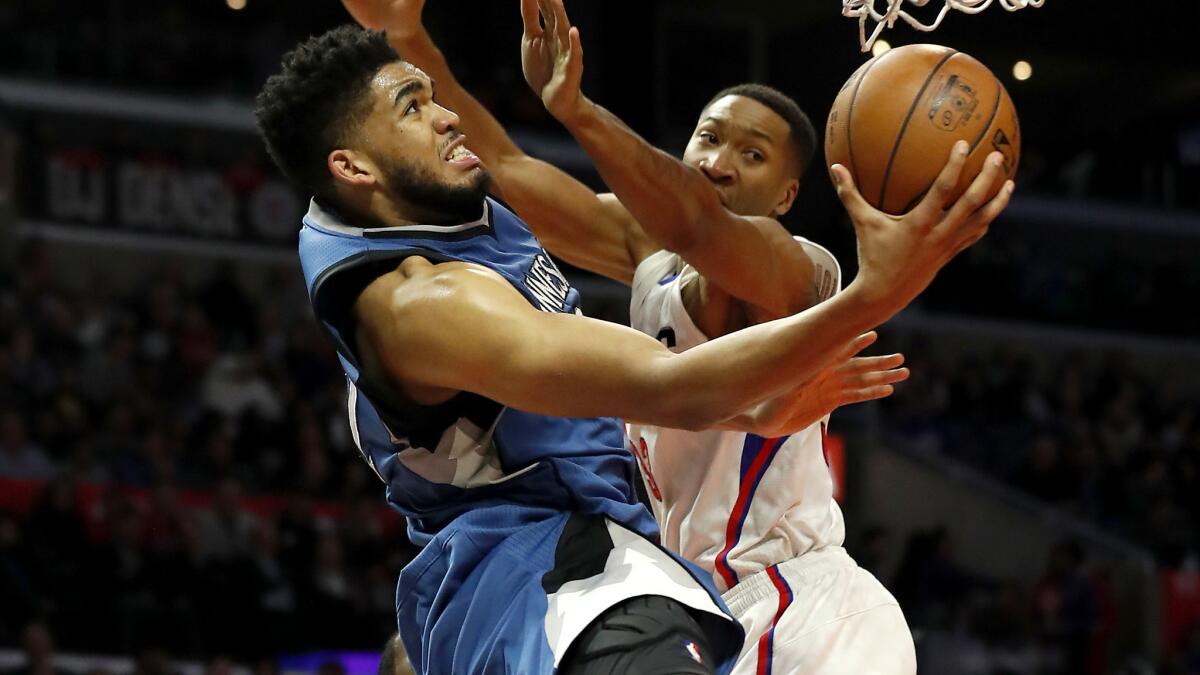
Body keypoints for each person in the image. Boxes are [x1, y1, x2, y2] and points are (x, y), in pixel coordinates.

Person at [253, 16, 1010, 675]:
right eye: (709, 138)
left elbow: (699, 233)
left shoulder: (791, 264)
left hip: (787, 599)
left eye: (753, 156)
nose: (718, 162)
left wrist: (868, 297)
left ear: (785, 193)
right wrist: (421, 41)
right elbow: (515, 172)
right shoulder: (634, 258)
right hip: (682, 587)